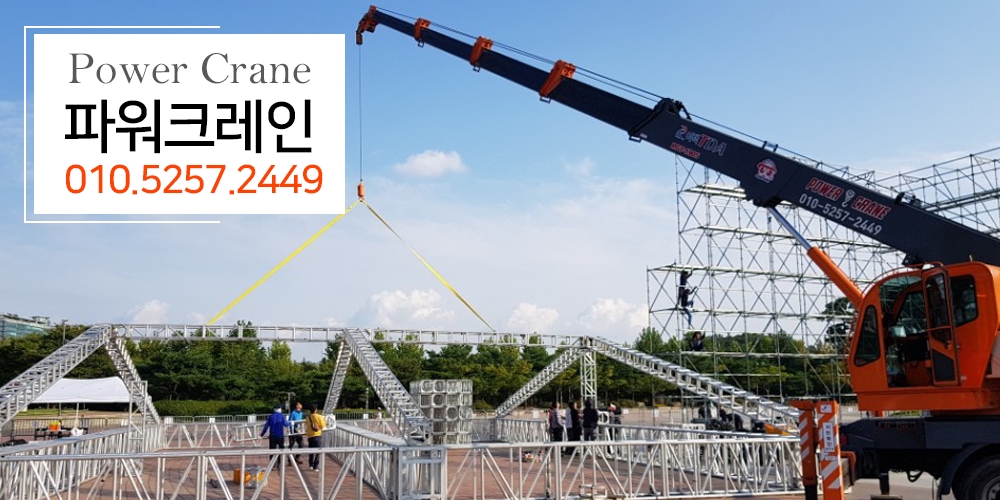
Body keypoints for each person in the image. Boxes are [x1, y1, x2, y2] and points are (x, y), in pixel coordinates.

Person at [305, 403, 326, 471]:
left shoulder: (308, 418)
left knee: (311, 451)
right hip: (317, 435)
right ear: (316, 410)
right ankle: (315, 466)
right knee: (317, 452)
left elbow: (307, 425)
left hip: (310, 436)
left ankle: (311, 465)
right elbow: (323, 425)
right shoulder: (319, 416)